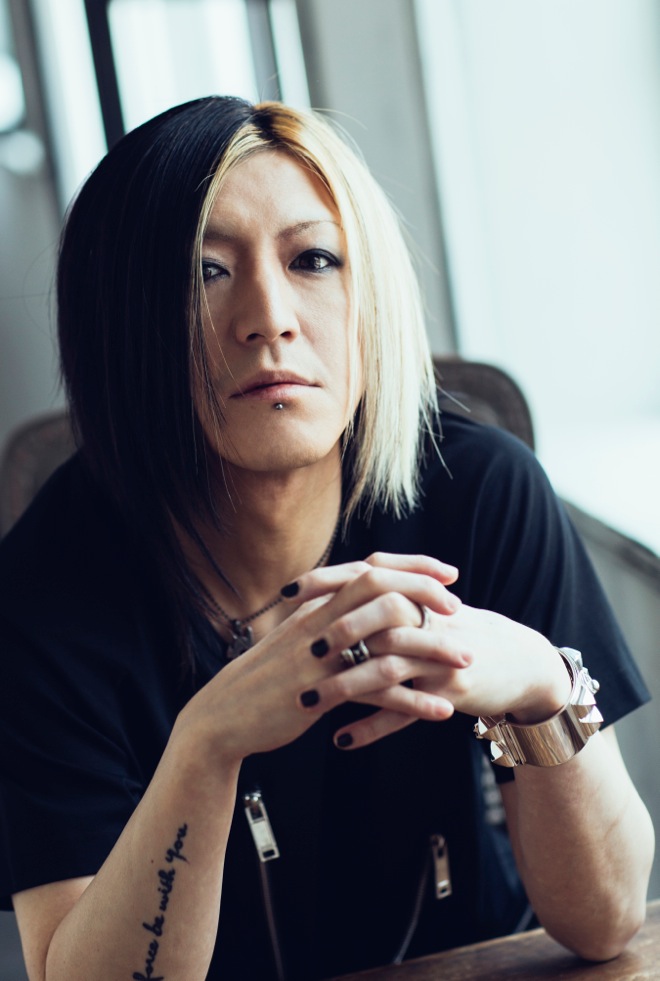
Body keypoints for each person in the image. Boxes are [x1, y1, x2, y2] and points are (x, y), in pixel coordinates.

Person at [0, 95, 654, 981]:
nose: (269, 317)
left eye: (313, 259)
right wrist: (205, 747)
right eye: (204, 271)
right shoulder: (41, 591)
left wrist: (542, 685)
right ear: (119, 322)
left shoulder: (480, 490)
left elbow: (607, 920)